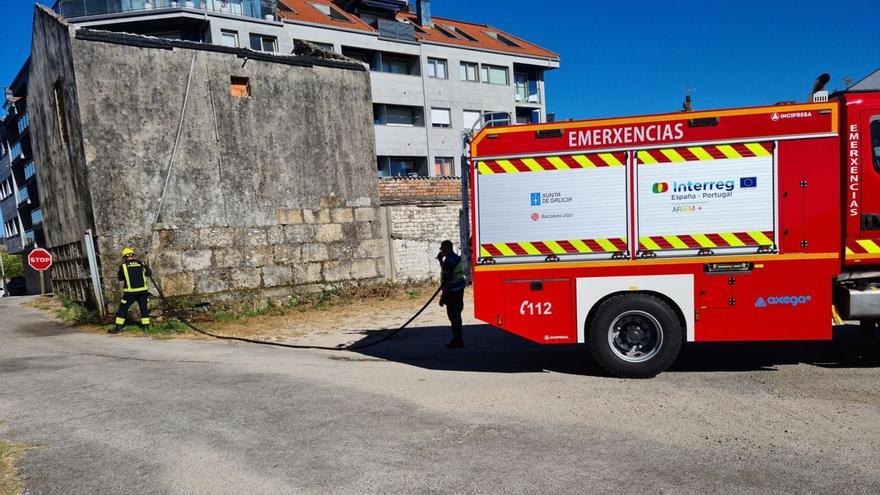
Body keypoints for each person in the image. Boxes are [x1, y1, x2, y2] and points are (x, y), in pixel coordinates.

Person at [111, 247, 152, 334]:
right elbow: (149, 273)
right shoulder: (141, 264)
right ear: (133, 255)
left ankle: (118, 327)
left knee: (122, 309)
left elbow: (120, 278)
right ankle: (146, 327)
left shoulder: (123, 266)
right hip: (143, 292)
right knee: (144, 308)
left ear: (125, 257)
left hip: (130, 292)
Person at [437, 240, 466, 349]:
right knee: (457, 316)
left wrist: (442, 297)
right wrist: (441, 261)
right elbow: (448, 272)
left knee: (453, 317)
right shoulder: (456, 259)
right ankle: (458, 339)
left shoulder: (449, 262)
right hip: (459, 291)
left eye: (442, 249)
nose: (441, 251)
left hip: (452, 293)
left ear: (447, 249)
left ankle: (457, 341)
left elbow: (447, 282)